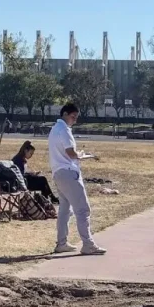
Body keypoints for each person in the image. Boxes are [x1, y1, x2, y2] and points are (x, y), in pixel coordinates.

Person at [48, 103, 106, 255]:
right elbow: (70, 152)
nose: (75, 120)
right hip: (68, 172)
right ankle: (88, 244)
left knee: (65, 210)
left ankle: (62, 243)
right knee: (82, 209)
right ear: (65, 114)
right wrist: (81, 155)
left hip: (58, 173)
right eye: (73, 117)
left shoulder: (55, 129)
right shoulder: (64, 130)